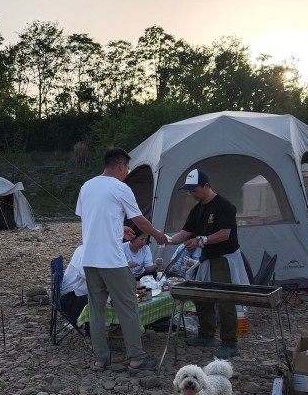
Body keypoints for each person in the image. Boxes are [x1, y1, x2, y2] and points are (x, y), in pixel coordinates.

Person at [76, 147, 168, 374]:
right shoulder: (120, 187)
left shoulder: (87, 186)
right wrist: (158, 235)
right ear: (120, 166)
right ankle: (136, 358)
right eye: (127, 167)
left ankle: (100, 359)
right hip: (112, 260)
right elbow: (141, 221)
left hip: (89, 259)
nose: (127, 171)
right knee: (128, 307)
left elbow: (95, 218)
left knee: (96, 310)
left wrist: (119, 228)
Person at [166, 169, 246, 359]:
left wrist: (201, 240)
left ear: (206, 186)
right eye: (189, 191)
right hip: (206, 258)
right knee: (201, 296)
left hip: (223, 258)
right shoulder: (197, 209)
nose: (192, 194)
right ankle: (206, 334)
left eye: (194, 190)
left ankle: (229, 342)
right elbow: (186, 232)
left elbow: (225, 234)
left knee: (225, 299)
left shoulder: (224, 206)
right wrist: (166, 240)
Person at [60, 245, 89, 333]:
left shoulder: (82, 248)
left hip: (72, 294)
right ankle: (92, 335)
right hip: (70, 298)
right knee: (99, 299)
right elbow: (88, 275)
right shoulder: (85, 252)